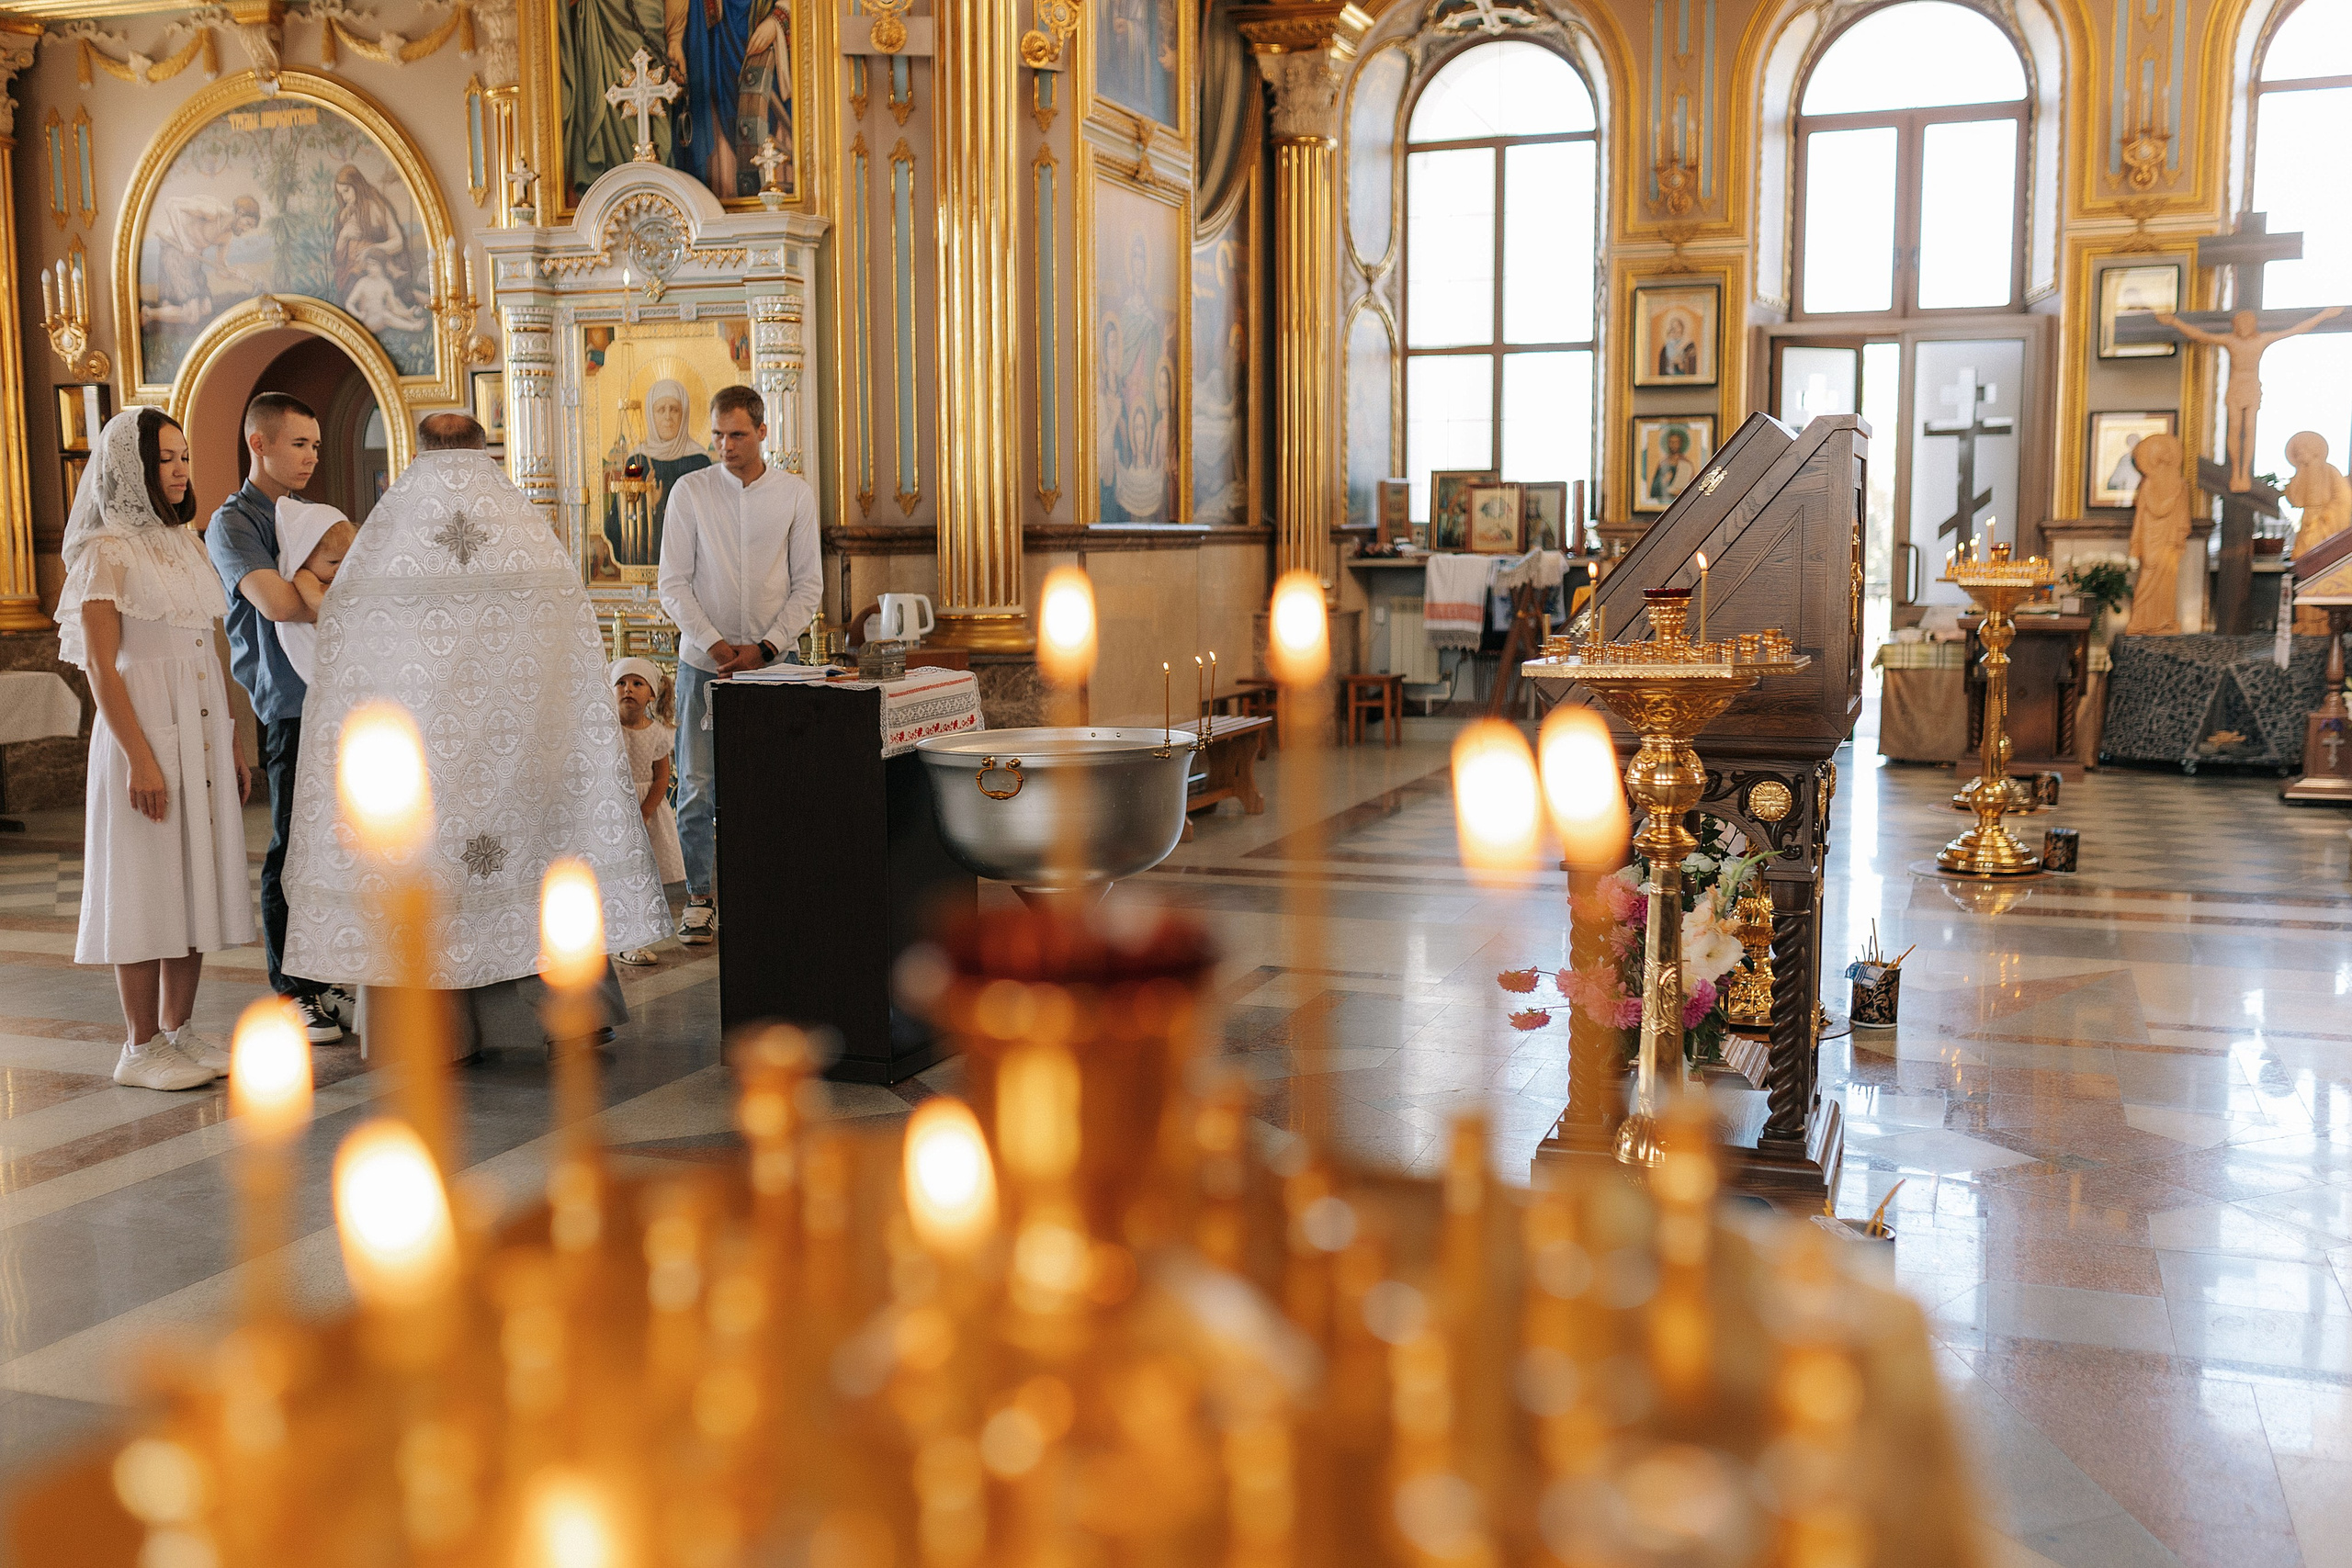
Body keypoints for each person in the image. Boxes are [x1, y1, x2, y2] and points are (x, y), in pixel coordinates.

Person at [280, 412, 669, 1055]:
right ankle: (571, 1012)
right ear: (483, 449)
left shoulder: (389, 533)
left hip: (423, 756)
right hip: (516, 755)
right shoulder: (526, 532)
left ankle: (439, 1037)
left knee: (427, 881)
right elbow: (568, 644)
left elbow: (348, 639)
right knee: (538, 864)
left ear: (420, 450)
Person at [57, 410, 252, 1090]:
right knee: (145, 890)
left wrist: (228, 739)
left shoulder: (186, 542)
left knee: (194, 882)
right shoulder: (104, 552)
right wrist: (141, 756)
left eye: (183, 457)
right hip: (142, 739)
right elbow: (103, 670)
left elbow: (209, 649)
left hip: (197, 737)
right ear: (131, 469)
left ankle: (179, 1029)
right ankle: (138, 1046)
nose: (179, 470)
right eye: (164, 458)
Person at [206, 392, 350, 1045]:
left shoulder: (311, 517)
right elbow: (282, 602)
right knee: (292, 843)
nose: (311, 457)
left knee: (340, 844)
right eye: (299, 443)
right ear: (258, 443)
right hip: (289, 700)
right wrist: (337, 597)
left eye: (316, 445)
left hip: (339, 693)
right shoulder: (234, 522)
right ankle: (293, 988)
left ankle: (326, 972)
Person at [656, 385, 820, 943]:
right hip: (704, 664)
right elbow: (673, 583)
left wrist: (767, 648)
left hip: (776, 665)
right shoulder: (691, 491)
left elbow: (808, 587)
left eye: (738, 434)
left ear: (763, 431)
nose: (725, 445)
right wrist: (718, 647)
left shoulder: (794, 495)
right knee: (699, 784)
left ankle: (769, 890)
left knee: (775, 782)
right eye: (719, 434)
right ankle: (700, 897)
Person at [610, 656, 684, 965]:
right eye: (621, 683)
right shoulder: (607, 730)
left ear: (651, 694)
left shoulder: (657, 733)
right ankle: (619, 937)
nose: (628, 689)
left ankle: (635, 938)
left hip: (646, 815)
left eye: (637, 684)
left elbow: (661, 778)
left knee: (641, 878)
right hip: (613, 812)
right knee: (617, 876)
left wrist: (644, 812)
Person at [271, 499, 356, 685]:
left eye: (345, 561)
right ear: (305, 556)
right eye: (333, 562)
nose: (340, 569)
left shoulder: (332, 578)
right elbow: (318, 603)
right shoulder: (304, 576)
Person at [143, 195, 262, 326]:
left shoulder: (226, 236)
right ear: (239, 214)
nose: (246, 229)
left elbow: (220, 269)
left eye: (250, 227)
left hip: (193, 260)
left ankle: (158, 313)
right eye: (247, 224)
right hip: (174, 251)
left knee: (206, 309)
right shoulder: (213, 210)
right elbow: (172, 204)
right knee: (192, 316)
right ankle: (147, 313)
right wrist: (185, 243)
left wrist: (235, 275)